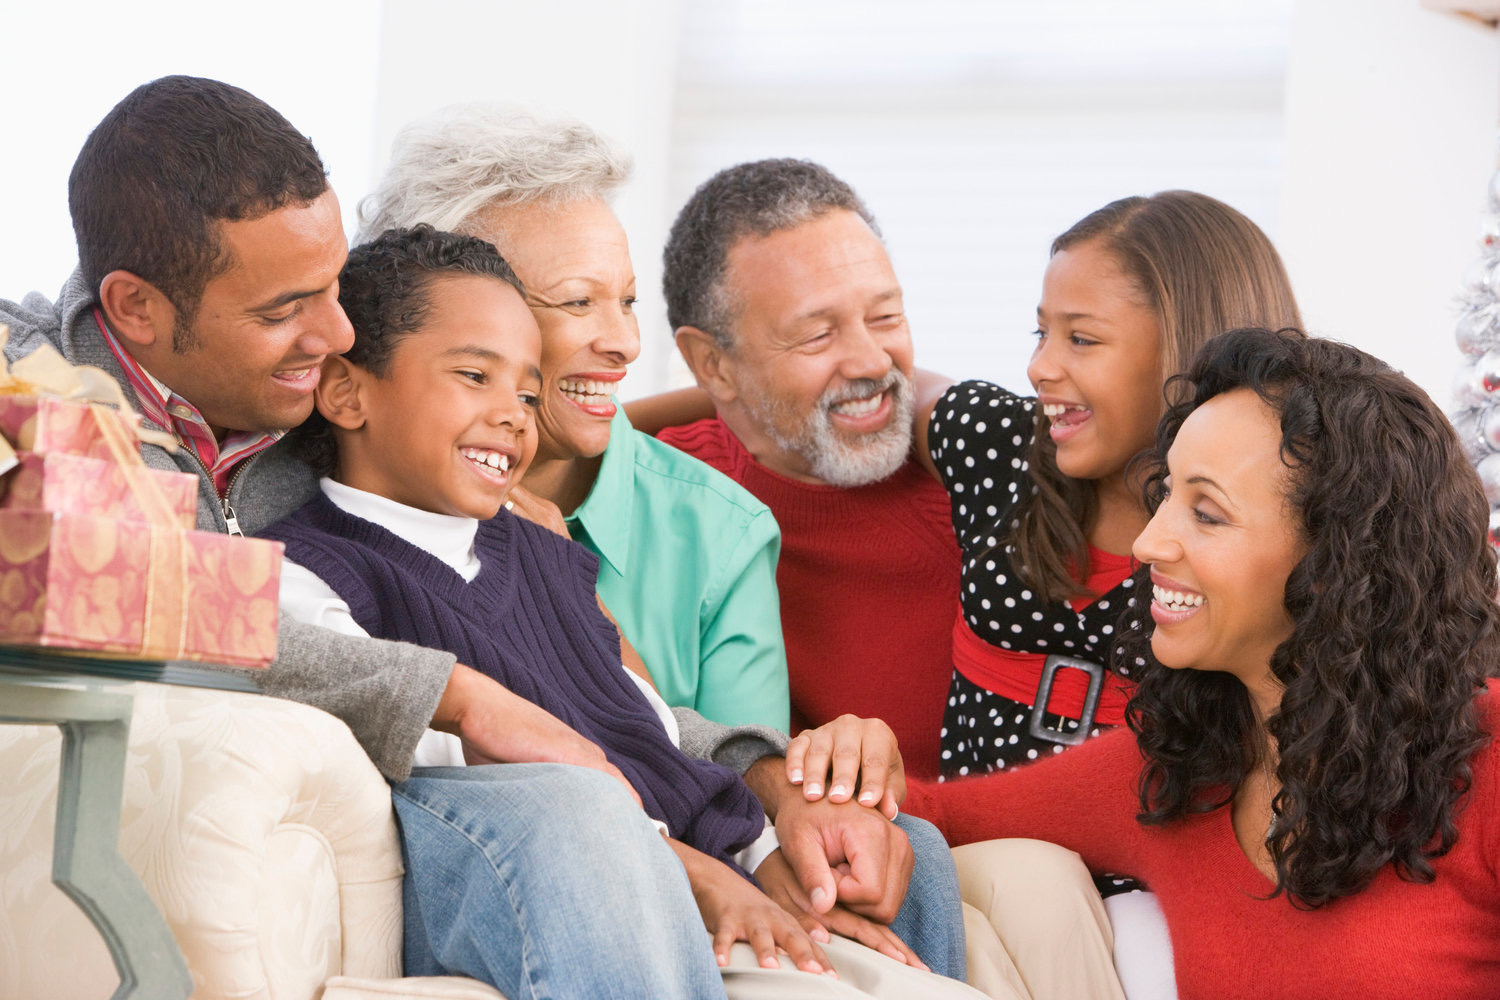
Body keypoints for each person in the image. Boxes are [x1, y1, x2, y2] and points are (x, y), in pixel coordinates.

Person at [0, 75, 951, 1000]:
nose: (336, 331)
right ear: (137, 310)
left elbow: (623, 703)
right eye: (285, 310)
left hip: (595, 797)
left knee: (907, 851)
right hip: (417, 798)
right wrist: (461, 696)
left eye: (336, 287)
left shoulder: (393, 441)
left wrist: (776, 784)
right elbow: (166, 595)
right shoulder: (41, 408)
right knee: (576, 813)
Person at [264, 225, 981, 997]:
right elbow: (486, 781)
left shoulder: (540, 548)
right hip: (559, 868)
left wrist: (770, 854)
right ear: (345, 391)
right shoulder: (307, 569)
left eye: (529, 392)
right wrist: (701, 877)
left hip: (692, 863)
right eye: (476, 376)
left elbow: (651, 737)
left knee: (910, 848)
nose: (515, 415)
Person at [903, 328, 1500, 1000]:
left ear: (1338, 565)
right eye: (1165, 497)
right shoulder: (1179, 772)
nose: (1149, 541)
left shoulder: (1489, 760)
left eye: (1207, 514)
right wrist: (799, 770)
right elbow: (934, 812)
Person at [356, 105, 790, 734]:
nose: (626, 343)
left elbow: (753, 801)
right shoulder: (316, 504)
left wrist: (563, 595)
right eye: (579, 301)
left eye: (628, 302)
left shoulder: (721, 535)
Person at [914, 191, 1301, 778]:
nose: (1038, 367)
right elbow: (889, 388)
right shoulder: (997, 442)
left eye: (1081, 339)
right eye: (1040, 332)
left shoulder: (1285, 521)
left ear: (1189, 351)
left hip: (1141, 862)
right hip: (964, 847)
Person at [657, 158, 960, 782]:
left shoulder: (970, 479)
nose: (873, 361)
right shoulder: (660, 489)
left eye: (885, 317)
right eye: (818, 336)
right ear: (712, 366)